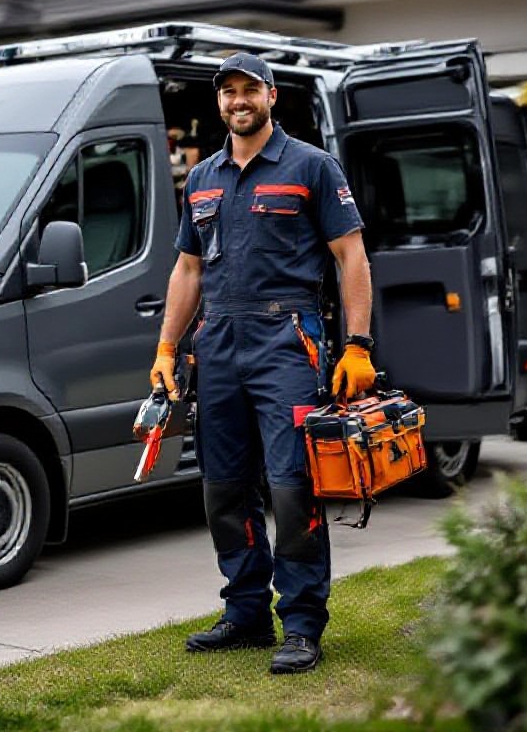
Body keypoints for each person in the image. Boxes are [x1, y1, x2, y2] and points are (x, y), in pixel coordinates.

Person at [150, 52, 376, 675]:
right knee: (224, 488)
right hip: (217, 340)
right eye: (228, 92)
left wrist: (358, 346)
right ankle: (244, 612)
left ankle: (301, 624)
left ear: (271, 96)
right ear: (218, 102)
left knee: (291, 487)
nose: (237, 101)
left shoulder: (312, 167)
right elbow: (188, 270)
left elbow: (350, 258)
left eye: (250, 89)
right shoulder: (203, 176)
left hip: (288, 340)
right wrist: (168, 348)